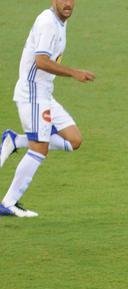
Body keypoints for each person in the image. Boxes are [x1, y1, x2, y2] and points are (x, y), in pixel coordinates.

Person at [0, 0, 95, 218]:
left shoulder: (61, 21)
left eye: (71, 0)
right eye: (63, 0)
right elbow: (41, 61)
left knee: (74, 140)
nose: (68, 3)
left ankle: (15, 140)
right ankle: (8, 202)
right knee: (39, 149)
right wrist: (73, 72)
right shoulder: (48, 23)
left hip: (45, 94)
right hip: (33, 94)